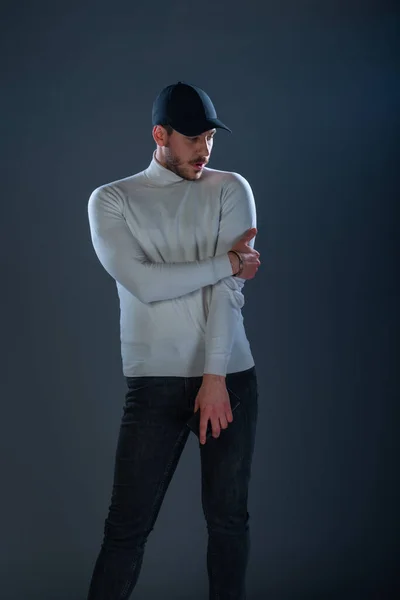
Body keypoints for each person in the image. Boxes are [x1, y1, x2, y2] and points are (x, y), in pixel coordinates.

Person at [86, 81, 261, 600]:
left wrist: (214, 377)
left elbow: (229, 294)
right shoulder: (112, 199)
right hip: (154, 383)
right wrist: (226, 263)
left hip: (229, 378)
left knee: (228, 524)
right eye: (192, 138)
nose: (204, 150)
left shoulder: (231, 188)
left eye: (210, 137)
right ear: (160, 135)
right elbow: (143, 284)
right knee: (125, 531)